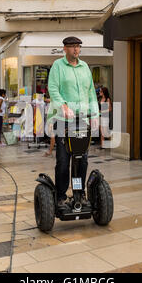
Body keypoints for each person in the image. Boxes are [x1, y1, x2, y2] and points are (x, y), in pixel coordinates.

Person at [47, 36, 99, 208]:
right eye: (73, 47)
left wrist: (95, 114)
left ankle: (79, 194)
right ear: (65, 49)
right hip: (64, 121)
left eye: (78, 46)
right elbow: (53, 88)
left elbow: (91, 92)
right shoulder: (58, 66)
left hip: (82, 121)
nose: (76, 49)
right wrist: (62, 105)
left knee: (81, 159)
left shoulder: (85, 67)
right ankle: (61, 196)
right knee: (63, 160)